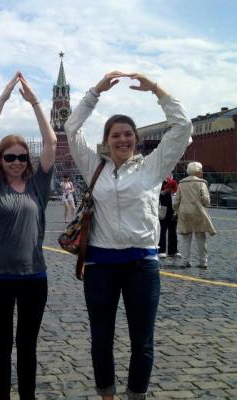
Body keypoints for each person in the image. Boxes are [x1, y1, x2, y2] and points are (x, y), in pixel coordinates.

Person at [65, 71, 192, 400]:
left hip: (141, 266)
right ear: (107, 140)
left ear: (135, 138)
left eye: (128, 135)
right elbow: (70, 128)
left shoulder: (153, 167)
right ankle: (107, 396)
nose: (122, 140)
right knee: (101, 338)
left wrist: (156, 91)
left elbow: (182, 127)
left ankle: (135, 396)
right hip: (100, 266)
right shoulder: (93, 165)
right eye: (116, 135)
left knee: (142, 341)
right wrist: (95, 92)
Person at [0, 72, 56, 399]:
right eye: (9, 157)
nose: (15, 162)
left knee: (27, 347)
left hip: (33, 277)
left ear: (28, 160)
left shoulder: (39, 184)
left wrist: (35, 102)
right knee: (1, 348)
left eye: (21, 157)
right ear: (1, 160)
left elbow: (51, 142)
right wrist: (3, 98)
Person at [173, 162, 216, 269]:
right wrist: (205, 203)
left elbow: (176, 200)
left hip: (184, 213)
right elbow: (206, 200)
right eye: (201, 169)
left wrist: (176, 210)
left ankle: (185, 261)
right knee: (201, 238)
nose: (202, 172)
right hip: (198, 212)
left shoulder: (182, 183)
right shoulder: (201, 183)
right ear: (197, 171)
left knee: (185, 238)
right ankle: (203, 262)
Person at [158, 175, 180, 259]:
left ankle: (173, 251)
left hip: (173, 209)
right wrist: (163, 192)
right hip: (164, 209)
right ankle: (161, 250)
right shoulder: (160, 180)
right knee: (162, 229)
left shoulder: (175, 180)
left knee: (173, 230)